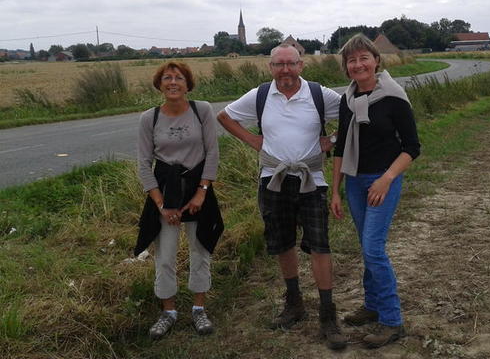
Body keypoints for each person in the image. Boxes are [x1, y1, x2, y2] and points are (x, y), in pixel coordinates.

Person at [216, 44, 347, 350]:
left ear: (301, 65)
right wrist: (253, 140)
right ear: (270, 67)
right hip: (273, 181)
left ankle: (328, 315)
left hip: (311, 180)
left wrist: (333, 140)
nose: (285, 70)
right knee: (282, 243)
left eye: (291, 64)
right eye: (279, 65)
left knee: (320, 245)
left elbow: (351, 114)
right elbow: (224, 116)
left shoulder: (319, 95)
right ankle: (294, 303)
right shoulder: (261, 96)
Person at [330, 33, 420, 349]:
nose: (358, 64)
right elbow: (340, 146)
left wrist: (387, 179)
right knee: (365, 246)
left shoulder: (394, 97)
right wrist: (336, 191)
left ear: (376, 61)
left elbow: (412, 147)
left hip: (384, 181)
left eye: (363, 58)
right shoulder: (347, 100)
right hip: (354, 181)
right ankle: (372, 305)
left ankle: (392, 320)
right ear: (346, 67)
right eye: (351, 60)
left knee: (373, 248)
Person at [135, 61, 224, 340]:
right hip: (165, 190)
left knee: (200, 250)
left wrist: (201, 191)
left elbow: (212, 153)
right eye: (167, 78)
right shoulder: (149, 118)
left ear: (188, 83)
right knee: (165, 255)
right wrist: (162, 205)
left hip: (198, 186)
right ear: (159, 84)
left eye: (178, 78)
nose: (172, 82)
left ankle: (199, 308)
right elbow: (143, 165)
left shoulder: (203, 110)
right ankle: (168, 312)